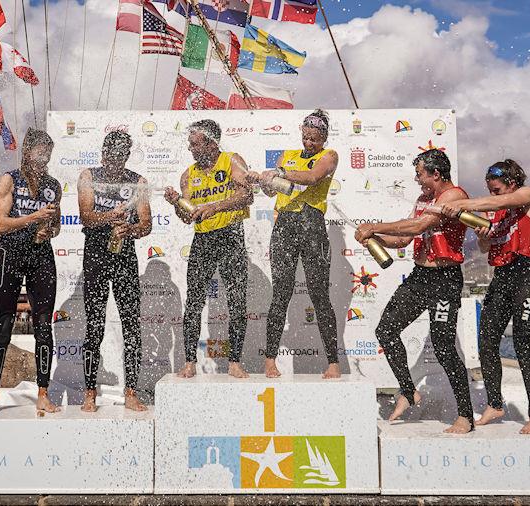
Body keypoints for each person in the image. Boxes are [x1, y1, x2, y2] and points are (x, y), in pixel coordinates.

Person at [355, 149, 475, 434]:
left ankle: (465, 416)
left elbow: (422, 225)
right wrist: (374, 238)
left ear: (436, 173)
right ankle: (409, 392)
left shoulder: (454, 196)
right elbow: (404, 238)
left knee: (444, 347)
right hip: (421, 277)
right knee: (386, 330)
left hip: (445, 279)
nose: (417, 179)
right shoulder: (423, 199)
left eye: (420, 174)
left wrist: (374, 225)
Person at [441, 159, 530, 434]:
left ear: (511, 183)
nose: (494, 194)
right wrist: (483, 235)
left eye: (497, 189)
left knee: (524, 345)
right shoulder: (495, 214)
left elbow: (499, 203)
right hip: (502, 278)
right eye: (490, 189)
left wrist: (463, 205)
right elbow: (487, 247)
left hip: (527, 278)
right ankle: (495, 404)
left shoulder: (527, 195)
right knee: (486, 342)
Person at [246, 109, 341, 379]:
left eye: (315, 139)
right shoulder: (287, 155)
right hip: (285, 225)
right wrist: (263, 181)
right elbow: (272, 188)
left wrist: (279, 171)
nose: (309, 143)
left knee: (319, 293)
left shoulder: (329, 156)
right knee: (281, 293)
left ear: (324, 137)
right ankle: (270, 360)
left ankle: (333, 362)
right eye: (306, 137)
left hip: (312, 225)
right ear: (301, 132)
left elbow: (312, 178)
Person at [164, 119, 253, 379]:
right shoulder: (188, 174)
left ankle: (235, 361)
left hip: (231, 235)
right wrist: (176, 203)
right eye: (189, 144)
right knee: (193, 302)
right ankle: (189, 362)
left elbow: (247, 196)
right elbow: (187, 216)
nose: (190, 148)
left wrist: (215, 207)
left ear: (211, 142)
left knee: (237, 299)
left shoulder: (231, 161)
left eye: (194, 143)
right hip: (203, 240)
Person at [0, 128, 61, 415]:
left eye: (48, 155)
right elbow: (1, 225)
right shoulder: (9, 179)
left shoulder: (53, 185)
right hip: (11, 256)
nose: (44, 159)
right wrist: (32, 218)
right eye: (41, 154)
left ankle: (43, 393)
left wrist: (48, 228)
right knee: (3, 324)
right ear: (27, 153)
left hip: (41, 256)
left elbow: (56, 226)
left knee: (43, 325)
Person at [78, 131, 152, 412]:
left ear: (126, 156)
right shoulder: (89, 176)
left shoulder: (138, 182)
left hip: (125, 256)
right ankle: (89, 393)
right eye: (110, 156)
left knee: (132, 324)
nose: (114, 162)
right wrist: (111, 216)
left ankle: (131, 391)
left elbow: (146, 224)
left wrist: (129, 229)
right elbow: (85, 215)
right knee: (94, 324)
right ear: (103, 153)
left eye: (120, 157)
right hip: (96, 254)